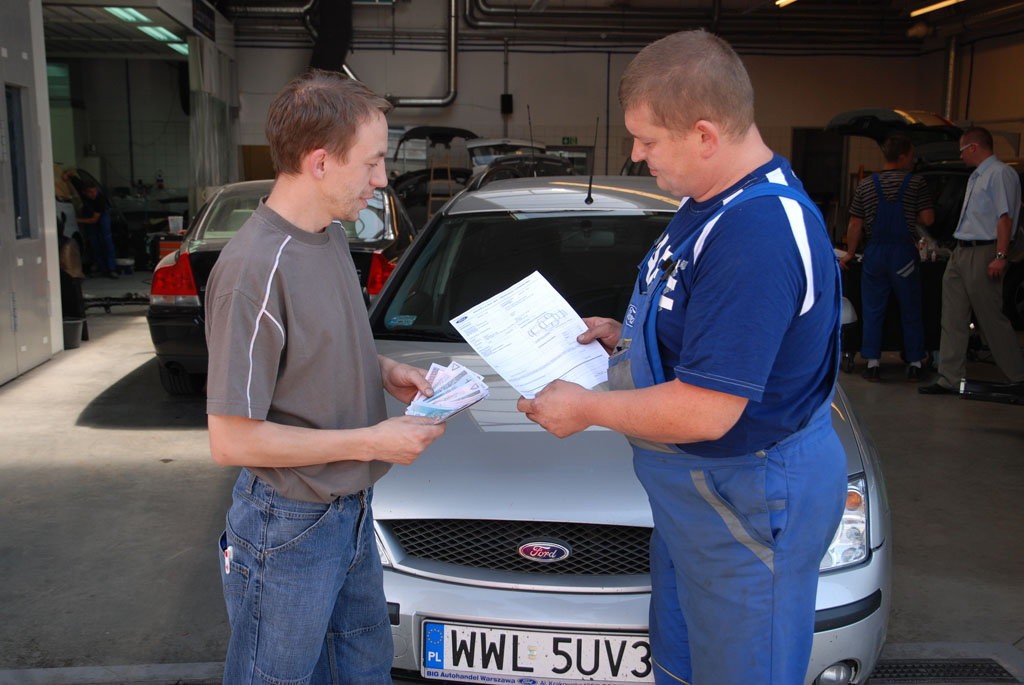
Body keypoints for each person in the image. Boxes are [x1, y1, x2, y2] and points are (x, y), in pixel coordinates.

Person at [517, 30, 847, 685]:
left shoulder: (756, 232)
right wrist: (626, 336)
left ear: (704, 135)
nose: (635, 154)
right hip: (698, 500)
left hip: (748, 497)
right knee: (685, 667)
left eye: (646, 140)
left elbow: (707, 410)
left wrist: (586, 408)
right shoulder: (709, 202)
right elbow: (709, 322)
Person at [204, 70, 445, 684]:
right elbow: (231, 440)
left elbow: (316, 348)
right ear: (319, 162)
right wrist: (371, 441)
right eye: (371, 162)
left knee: (361, 669)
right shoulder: (253, 270)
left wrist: (385, 371)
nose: (382, 178)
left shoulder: (330, 237)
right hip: (287, 524)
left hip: (351, 512)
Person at [920, 126, 1024, 394]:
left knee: (990, 317)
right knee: (952, 317)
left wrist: (1000, 256)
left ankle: (1018, 376)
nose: (961, 155)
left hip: (984, 251)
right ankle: (950, 377)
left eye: (962, 150)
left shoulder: (1000, 174)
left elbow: (1004, 218)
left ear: (974, 147)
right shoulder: (977, 176)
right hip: (962, 250)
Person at [840, 134, 935, 382]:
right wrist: (912, 212)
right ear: (902, 156)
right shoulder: (916, 183)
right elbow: (928, 219)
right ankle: (915, 362)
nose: (913, 160)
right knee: (910, 308)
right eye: (911, 156)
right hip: (903, 255)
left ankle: (872, 363)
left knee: (873, 309)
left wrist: (850, 252)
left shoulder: (866, 185)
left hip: (874, 254)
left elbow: (855, 223)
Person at [76, 181, 119, 279]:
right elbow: (74, 176)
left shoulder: (100, 200)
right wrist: (68, 175)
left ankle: (112, 269)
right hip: (91, 215)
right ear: (84, 192)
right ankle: (102, 268)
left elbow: (94, 220)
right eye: (90, 192)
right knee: (94, 243)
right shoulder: (82, 192)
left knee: (106, 241)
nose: (93, 194)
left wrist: (77, 220)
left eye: (95, 191)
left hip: (101, 216)